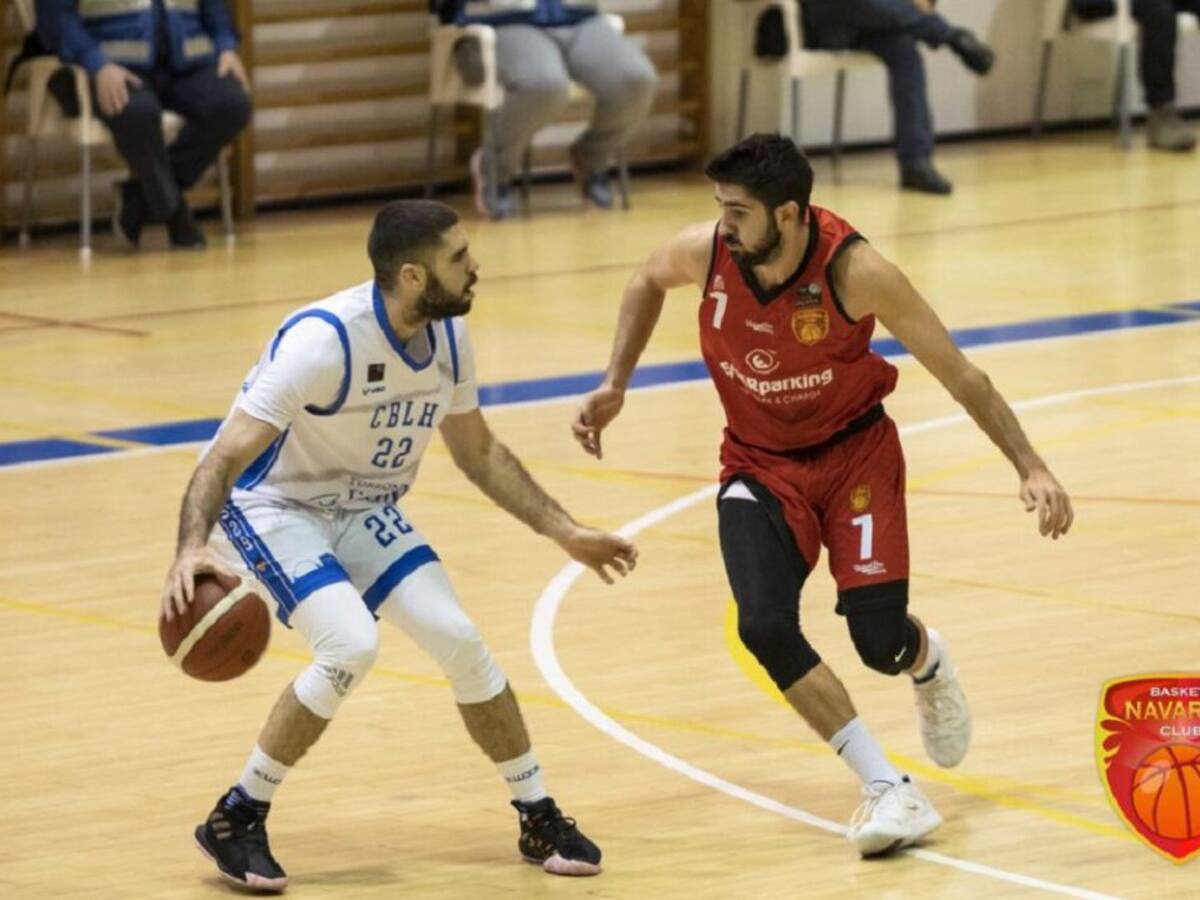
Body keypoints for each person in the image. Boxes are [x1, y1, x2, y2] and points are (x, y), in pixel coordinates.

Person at [571, 134, 1073, 856]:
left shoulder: (857, 271)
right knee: (763, 625)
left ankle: (927, 661)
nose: (724, 225)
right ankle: (888, 787)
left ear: (789, 214)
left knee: (879, 643)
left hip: (855, 460)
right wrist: (615, 381)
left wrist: (1030, 465)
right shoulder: (709, 252)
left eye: (738, 212)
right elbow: (646, 278)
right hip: (758, 465)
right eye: (720, 208)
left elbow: (961, 374)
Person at [160, 199, 637, 891]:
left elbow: (478, 452)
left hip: (361, 506)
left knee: (461, 640)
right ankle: (236, 816)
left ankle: (537, 815)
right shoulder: (324, 343)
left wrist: (564, 531)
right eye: (459, 257)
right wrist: (188, 549)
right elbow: (224, 455)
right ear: (413, 276)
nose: (476, 266)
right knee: (350, 645)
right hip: (273, 506)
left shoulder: (449, 338)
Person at [35, 0, 252, 249]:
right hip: (112, 65)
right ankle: (176, 216)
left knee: (232, 105)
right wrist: (97, 63)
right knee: (137, 112)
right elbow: (56, 18)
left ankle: (140, 197)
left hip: (188, 63)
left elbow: (212, 5)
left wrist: (225, 45)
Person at [432, 0, 657, 219]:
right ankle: (493, 166)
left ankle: (592, 157)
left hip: (580, 17)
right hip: (501, 21)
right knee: (545, 85)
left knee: (636, 80)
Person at [798, 0, 995, 194]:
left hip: (876, 24)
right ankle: (951, 36)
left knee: (904, 50)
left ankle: (915, 164)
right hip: (830, 21)